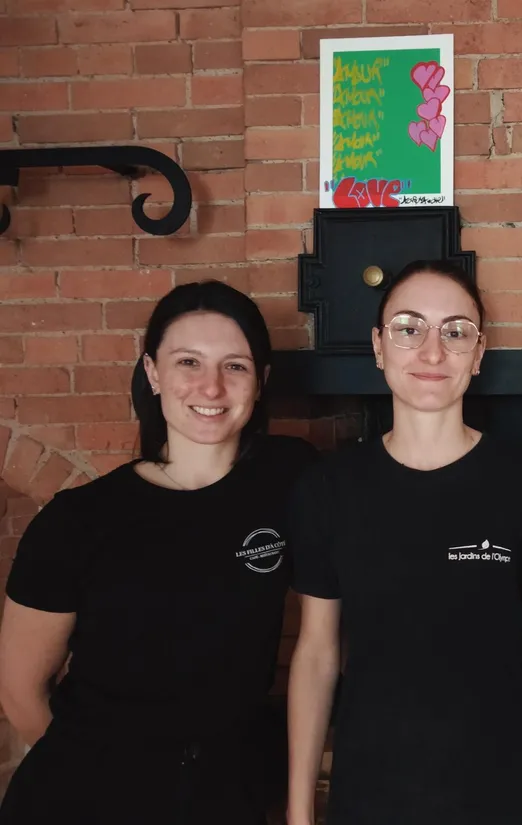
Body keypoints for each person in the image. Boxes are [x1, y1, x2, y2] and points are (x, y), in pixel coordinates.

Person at [0, 280, 317, 825]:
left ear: (261, 382)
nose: (211, 387)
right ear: (152, 373)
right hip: (83, 799)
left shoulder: (291, 480)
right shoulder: (78, 520)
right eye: (188, 362)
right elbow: (20, 690)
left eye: (235, 366)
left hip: (226, 796)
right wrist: (109, 778)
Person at [285, 260, 522, 825]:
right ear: (378, 346)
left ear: (479, 352)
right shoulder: (327, 490)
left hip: (502, 789)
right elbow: (317, 655)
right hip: (370, 792)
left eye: (455, 331)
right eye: (409, 327)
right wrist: (300, 811)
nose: (432, 351)